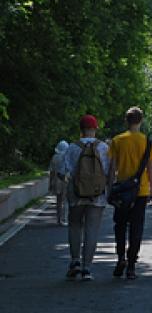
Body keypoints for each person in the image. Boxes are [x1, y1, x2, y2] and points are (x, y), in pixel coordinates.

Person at [108, 106, 152, 280]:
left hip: (121, 191)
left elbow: (112, 167)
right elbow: (150, 169)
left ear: (126, 121)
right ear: (141, 121)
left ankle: (120, 257)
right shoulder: (146, 142)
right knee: (136, 228)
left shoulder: (117, 140)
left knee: (119, 226)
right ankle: (132, 265)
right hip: (140, 191)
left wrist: (109, 189)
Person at [63, 115, 110, 281]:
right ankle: (87, 268)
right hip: (97, 196)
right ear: (95, 129)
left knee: (75, 225)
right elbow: (108, 172)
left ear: (81, 130)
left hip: (76, 194)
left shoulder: (72, 147)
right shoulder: (103, 147)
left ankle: (75, 261)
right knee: (92, 229)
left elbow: (64, 172)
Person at [49, 140, 70, 226]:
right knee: (66, 201)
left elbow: (51, 172)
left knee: (58, 201)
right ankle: (64, 219)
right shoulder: (67, 157)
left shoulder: (54, 157)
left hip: (57, 180)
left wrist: (50, 183)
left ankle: (58, 219)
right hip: (66, 180)